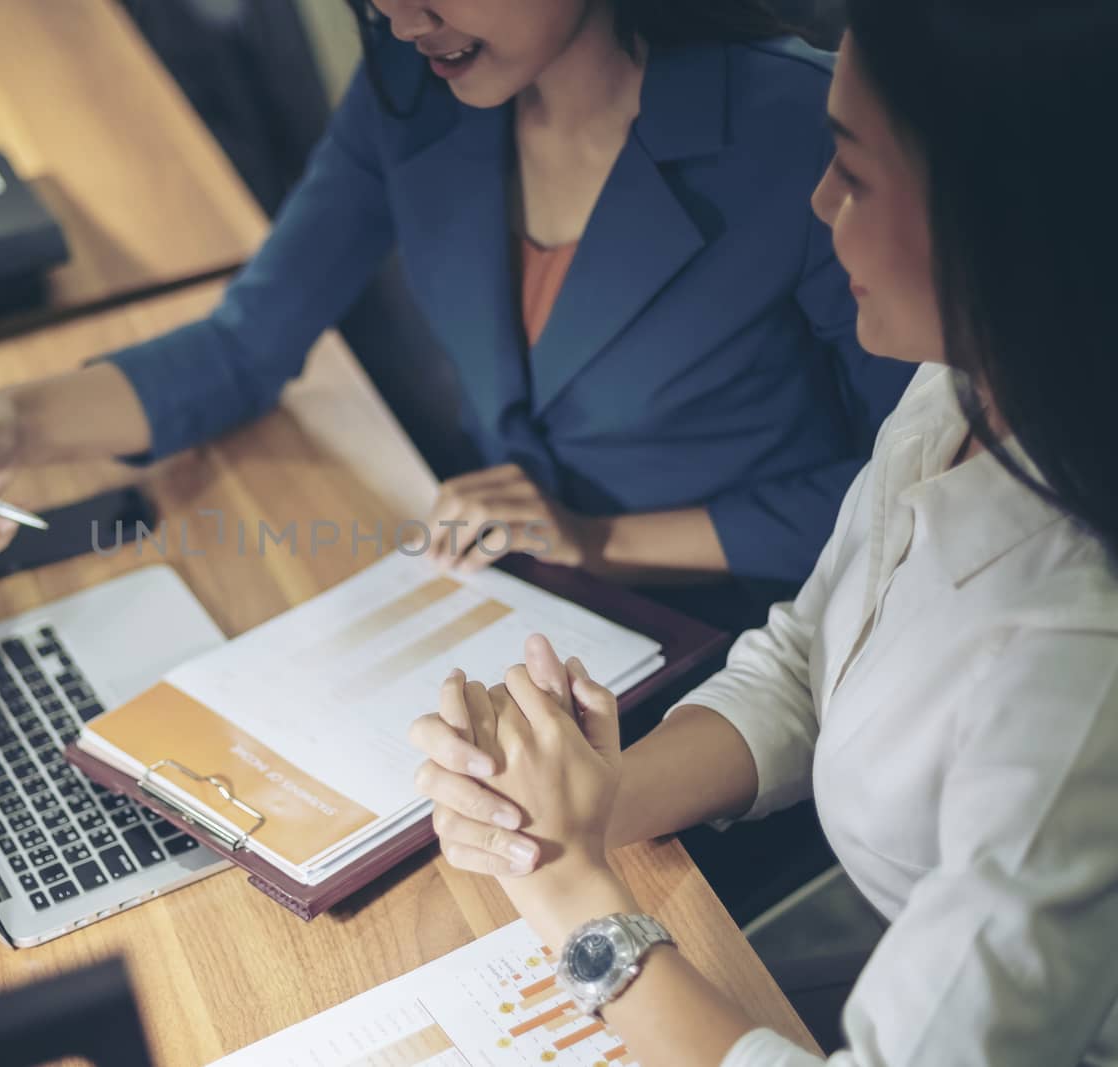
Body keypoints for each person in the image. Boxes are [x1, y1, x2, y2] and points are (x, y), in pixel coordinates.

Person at [409, 0, 1118, 1061]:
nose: (817, 200)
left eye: (854, 171)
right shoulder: (967, 390)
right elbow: (806, 658)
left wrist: (574, 902)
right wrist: (594, 801)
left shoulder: (1073, 666)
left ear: (1004, 220)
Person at [0, 0, 913, 629]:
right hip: (514, 596)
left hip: (748, 630)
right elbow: (248, 340)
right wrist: (11, 423)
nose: (400, 17)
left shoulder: (806, 134)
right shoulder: (413, 97)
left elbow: (917, 490)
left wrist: (601, 539)